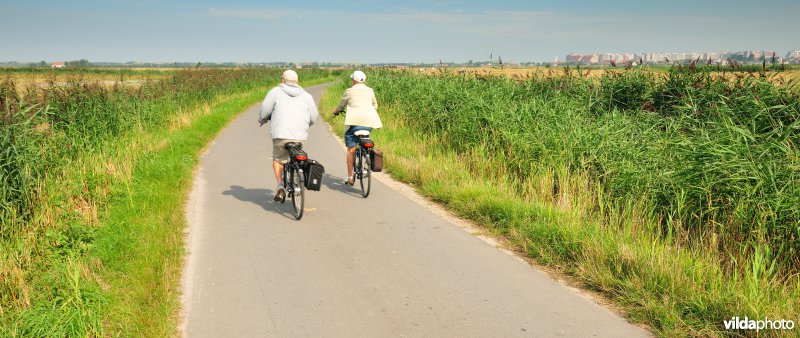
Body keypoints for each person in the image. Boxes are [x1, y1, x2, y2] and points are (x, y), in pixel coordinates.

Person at [259, 69, 319, 201]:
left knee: (278, 158)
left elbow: (265, 109)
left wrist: (262, 119)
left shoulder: (275, 92)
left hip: (280, 134)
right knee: (296, 155)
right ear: (297, 81)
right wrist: (305, 125)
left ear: (282, 80)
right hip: (300, 135)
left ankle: (280, 186)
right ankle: (297, 177)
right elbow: (314, 117)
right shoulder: (306, 95)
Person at [333, 70, 383, 185]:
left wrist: (336, 111)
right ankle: (365, 166)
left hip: (354, 124)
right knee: (366, 139)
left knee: (351, 149)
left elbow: (341, 105)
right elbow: (375, 105)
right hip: (369, 123)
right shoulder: (370, 90)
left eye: (352, 79)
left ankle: (350, 177)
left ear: (354, 80)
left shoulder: (349, 91)